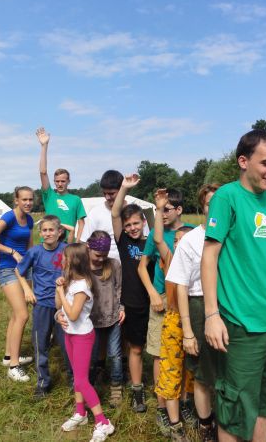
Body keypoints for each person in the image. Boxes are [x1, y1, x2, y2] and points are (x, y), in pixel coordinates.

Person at [202, 129, 266, 442]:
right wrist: (211, 315)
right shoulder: (227, 197)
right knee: (235, 403)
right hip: (240, 322)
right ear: (243, 161)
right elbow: (210, 256)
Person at [166, 183, 220, 442]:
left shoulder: (234, 233)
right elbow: (181, 287)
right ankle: (206, 424)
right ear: (203, 206)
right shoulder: (191, 239)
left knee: (228, 371)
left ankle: (227, 422)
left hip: (231, 306)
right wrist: (187, 331)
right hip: (198, 307)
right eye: (210, 203)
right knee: (201, 374)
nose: (215, 207)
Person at [138, 187, 191, 436]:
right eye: (161, 210)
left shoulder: (189, 233)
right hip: (164, 300)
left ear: (179, 209)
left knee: (186, 355)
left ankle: (185, 401)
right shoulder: (160, 240)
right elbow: (152, 251)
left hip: (189, 302)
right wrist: (151, 293)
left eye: (167, 209)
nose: (163, 213)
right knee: (161, 354)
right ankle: (163, 405)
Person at [56, 243, 114, 442]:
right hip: (70, 334)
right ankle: (80, 413)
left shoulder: (82, 286)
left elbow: (72, 314)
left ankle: (103, 422)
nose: (61, 259)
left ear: (73, 260)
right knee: (77, 376)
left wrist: (62, 293)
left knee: (81, 380)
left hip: (81, 337)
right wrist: (60, 293)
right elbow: (61, 308)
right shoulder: (71, 282)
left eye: (64, 257)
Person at [152, 188, 196, 442]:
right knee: (170, 369)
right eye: (177, 241)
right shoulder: (169, 259)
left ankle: (187, 405)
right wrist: (159, 209)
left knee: (191, 371)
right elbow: (159, 239)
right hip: (173, 322)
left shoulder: (201, 266)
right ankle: (175, 424)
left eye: (184, 241)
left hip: (195, 322)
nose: (179, 244)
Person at [0, 186, 35, 382]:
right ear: (16, 200)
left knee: (15, 314)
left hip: (23, 269)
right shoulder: (8, 217)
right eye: (24, 200)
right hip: (7, 270)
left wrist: (32, 263)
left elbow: (29, 246)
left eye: (30, 199)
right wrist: (11, 251)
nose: (28, 203)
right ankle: (14, 366)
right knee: (22, 315)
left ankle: (8, 356)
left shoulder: (29, 220)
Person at [111, 173, 152, 413]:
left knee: (152, 349)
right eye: (128, 225)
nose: (132, 228)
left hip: (154, 303)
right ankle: (137, 390)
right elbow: (116, 213)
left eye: (136, 223)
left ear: (143, 223)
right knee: (136, 348)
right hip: (133, 303)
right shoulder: (124, 242)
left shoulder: (152, 242)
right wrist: (124, 189)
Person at [15, 214, 68, 398]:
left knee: (66, 343)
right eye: (44, 230)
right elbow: (18, 270)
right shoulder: (34, 252)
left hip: (63, 306)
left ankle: (74, 379)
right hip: (42, 304)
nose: (47, 233)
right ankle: (43, 382)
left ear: (59, 232)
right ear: (40, 233)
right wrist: (26, 291)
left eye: (51, 230)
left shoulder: (66, 250)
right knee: (41, 343)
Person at [86, 230, 125, 407]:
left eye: (104, 255)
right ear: (88, 248)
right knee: (92, 356)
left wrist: (121, 307)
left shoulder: (114, 265)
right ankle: (90, 386)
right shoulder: (83, 268)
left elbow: (119, 288)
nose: (101, 259)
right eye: (97, 255)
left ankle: (116, 387)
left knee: (115, 354)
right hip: (90, 320)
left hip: (112, 317)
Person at [37, 127, 86, 242]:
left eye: (63, 181)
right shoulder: (49, 195)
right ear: (54, 181)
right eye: (57, 181)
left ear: (68, 181)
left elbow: (81, 222)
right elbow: (43, 172)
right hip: (48, 242)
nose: (59, 184)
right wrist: (44, 146)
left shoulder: (76, 199)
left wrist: (77, 242)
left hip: (67, 244)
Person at [80, 170, 124, 260]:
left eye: (111, 193)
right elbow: (84, 242)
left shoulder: (134, 212)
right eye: (105, 193)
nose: (107, 197)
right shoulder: (95, 212)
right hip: (102, 267)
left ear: (122, 191)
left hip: (128, 268)